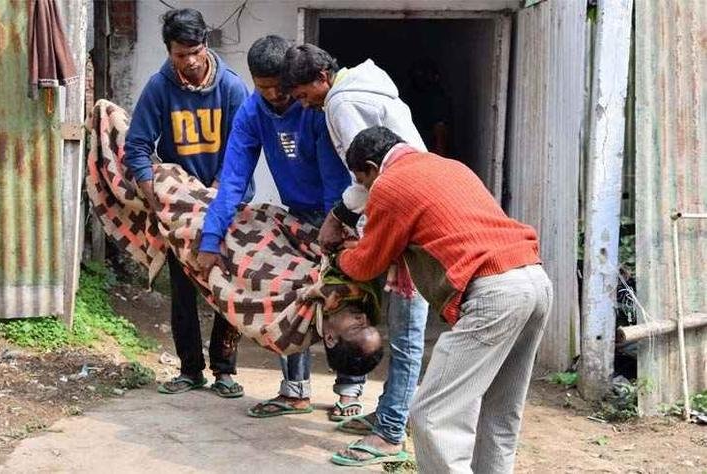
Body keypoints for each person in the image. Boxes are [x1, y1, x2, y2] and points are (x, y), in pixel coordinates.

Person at [334, 126, 552, 471]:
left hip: (494, 293)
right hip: (534, 279)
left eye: (363, 181)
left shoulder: (390, 185)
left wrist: (339, 255)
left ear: (374, 167)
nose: (365, 190)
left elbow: (366, 264)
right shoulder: (448, 166)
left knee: (431, 414)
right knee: (500, 411)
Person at [196, 35, 367, 420]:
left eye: (280, 86)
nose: (274, 94)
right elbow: (234, 179)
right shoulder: (252, 112)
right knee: (289, 295)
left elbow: (331, 178)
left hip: (339, 214)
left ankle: (350, 390)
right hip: (296, 214)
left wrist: (336, 232)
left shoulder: (315, 110)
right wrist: (211, 238)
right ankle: (294, 391)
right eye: (264, 87)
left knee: (341, 299)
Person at [281, 44, 430, 466]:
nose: (302, 103)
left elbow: (374, 176)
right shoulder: (372, 90)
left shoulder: (342, 104)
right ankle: (387, 414)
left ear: (321, 79)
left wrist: (361, 237)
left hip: (408, 223)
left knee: (405, 338)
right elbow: (372, 176)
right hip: (404, 214)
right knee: (404, 335)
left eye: (300, 94)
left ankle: (391, 431)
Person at [124, 8, 250, 398]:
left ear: (205, 45)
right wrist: (156, 197)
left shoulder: (231, 87)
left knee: (226, 286)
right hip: (179, 208)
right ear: (169, 52)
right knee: (183, 289)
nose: (190, 61)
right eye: (180, 55)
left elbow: (241, 150)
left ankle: (225, 371)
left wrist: (217, 193)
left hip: (226, 200)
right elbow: (137, 147)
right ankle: (190, 369)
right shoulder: (159, 88)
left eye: (195, 51)